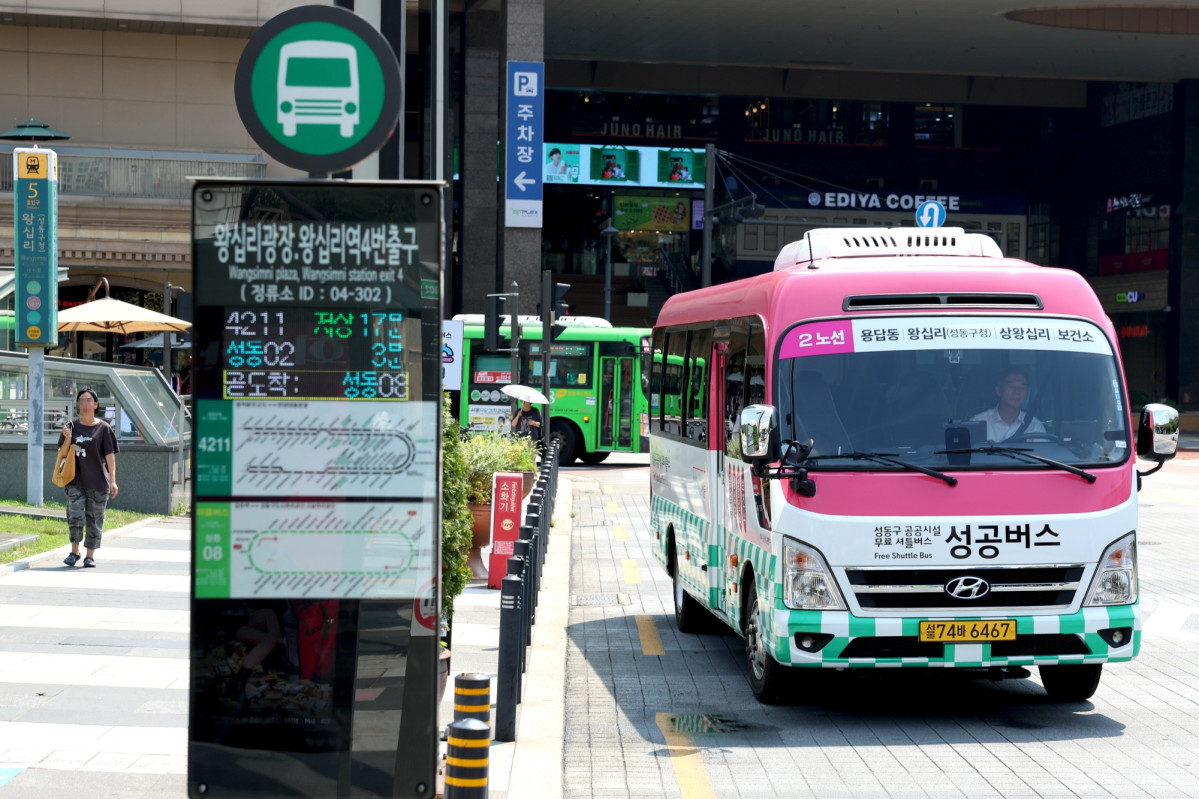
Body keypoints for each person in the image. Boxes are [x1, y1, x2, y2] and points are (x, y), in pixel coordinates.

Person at [59, 387, 119, 568]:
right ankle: (74, 552)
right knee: (75, 515)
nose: (85, 404)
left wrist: (113, 480)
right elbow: (61, 453)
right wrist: (68, 438)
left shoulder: (104, 428)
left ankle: (89, 555)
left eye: (88, 400)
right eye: (82, 401)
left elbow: (110, 456)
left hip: (98, 481)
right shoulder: (71, 426)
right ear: (78, 405)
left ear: (96, 404)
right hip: (75, 479)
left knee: (94, 519)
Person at [971, 367, 1046, 442]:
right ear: (999, 391)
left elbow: (1043, 453)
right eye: (1011, 387)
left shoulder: (1035, 426)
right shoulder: (979, 423)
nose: (1017, 392)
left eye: (1022, 388)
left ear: (1027, 393)